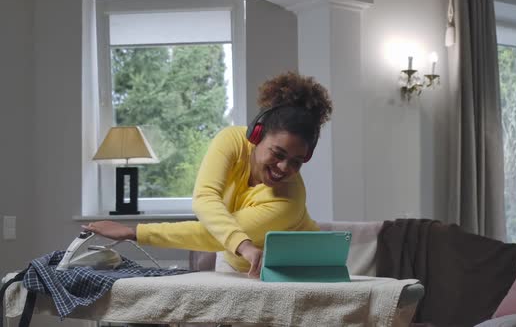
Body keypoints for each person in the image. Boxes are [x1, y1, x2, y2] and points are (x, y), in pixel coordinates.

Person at [83, 72, 333, 278]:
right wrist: (242, 246)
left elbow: (211, 235)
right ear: (256, 135)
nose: (284, 167)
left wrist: (135, 232)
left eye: (296, 162)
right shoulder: (232, 141)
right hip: (238, 263)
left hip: (298, 272)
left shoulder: (289, 199)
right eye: (278, 154)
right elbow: (205, 197)